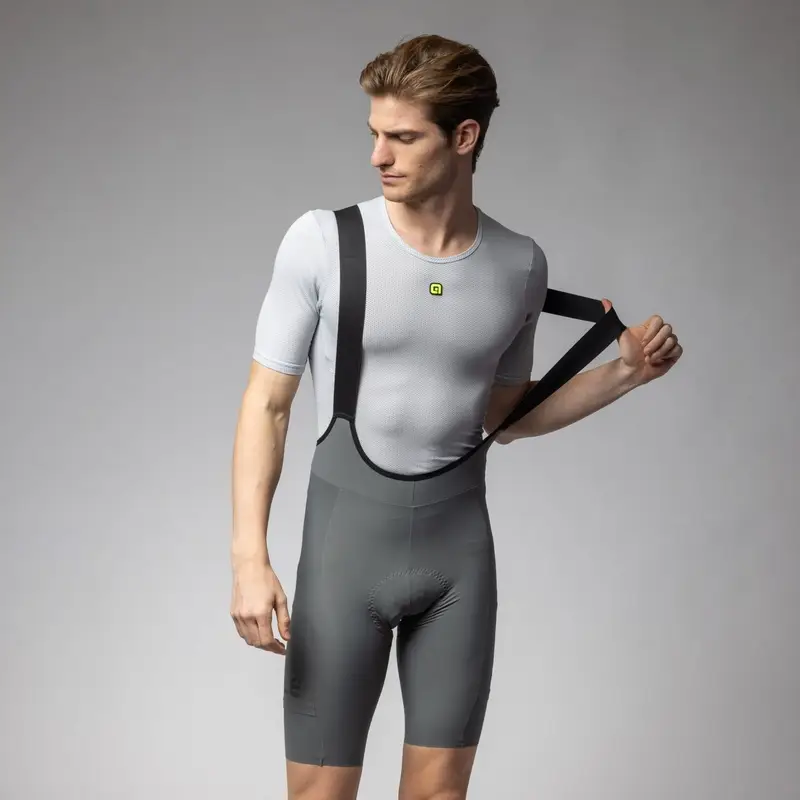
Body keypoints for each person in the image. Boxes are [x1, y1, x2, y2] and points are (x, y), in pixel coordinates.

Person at [230, 33, 682, 800]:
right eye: (375, 133)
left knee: (441, 795)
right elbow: (266, 405)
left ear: (464, 137)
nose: (378, 156)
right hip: (343, 561)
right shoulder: (323, 243)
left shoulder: (519, 264)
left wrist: (625, 374)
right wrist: (249, 560)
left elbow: (506, 418)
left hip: (457, 568)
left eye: (403, 137)